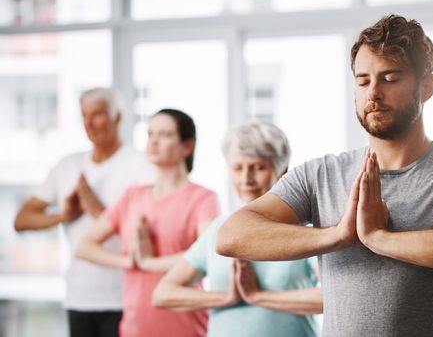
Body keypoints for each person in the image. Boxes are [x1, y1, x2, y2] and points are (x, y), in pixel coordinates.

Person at [216, 15, 433, 337]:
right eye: (363, 81)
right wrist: (337, 235)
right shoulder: (321, 174)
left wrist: (380, 239)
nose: (373, 93)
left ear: (426, 86)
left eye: (390, 78)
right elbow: (232, 235)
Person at [153, 121, 322, 337]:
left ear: (283, 171)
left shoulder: (303, 231)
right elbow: (164, 293)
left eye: (259, 167)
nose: (246, 179)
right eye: (238, 168)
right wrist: (226, 298)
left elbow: (333, 297)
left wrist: (259, 297)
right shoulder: (219, 230)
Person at [13, 87, 154, 337]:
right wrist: (64, 215)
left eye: (97, 114)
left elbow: (148, 233)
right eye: (84, 115)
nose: (89, 123)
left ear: (117, 117)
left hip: (124, 297)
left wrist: (99, 209)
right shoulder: (68, 165)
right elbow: (22, 220)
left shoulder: (140, 164)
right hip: (79, 297)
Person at [76, 108, 220, 337]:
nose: (154, 141)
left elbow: (208, 256)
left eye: (164, 135)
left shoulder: (203, 198)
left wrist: (150, 263)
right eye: (150, 134)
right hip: (135, 328)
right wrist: (129, 261)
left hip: (186, 328)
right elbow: (84, 247)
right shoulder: (131, 197)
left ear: (187, 146)